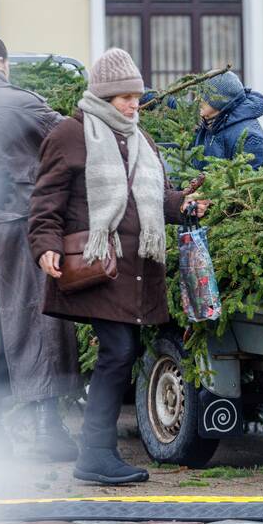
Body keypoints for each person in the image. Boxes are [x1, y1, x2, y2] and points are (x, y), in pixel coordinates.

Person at [29, 48, 209, 484]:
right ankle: (94, 455)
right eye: (124, 97)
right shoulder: (71, 134)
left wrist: (183, 205)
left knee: (120, 353)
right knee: (118, 352)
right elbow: (45, 200)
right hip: (99, 263)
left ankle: (96, 454)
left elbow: (152, 197)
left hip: (137, 267)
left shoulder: (141, 140)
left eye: (137, 96)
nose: (134, 105)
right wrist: (44, 245)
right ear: (103, 96)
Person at [0, 34, 81, 462]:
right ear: (1, 64)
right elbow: (73, 139)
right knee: (37, 321)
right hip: (22, 225)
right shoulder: (21, 103)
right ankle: (48, 432)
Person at [193, 70, 263, 169]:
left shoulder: (249, 136)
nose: (197, 100)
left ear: (220, 101)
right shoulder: (213, 120)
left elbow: (249, 181)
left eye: (203, 96)